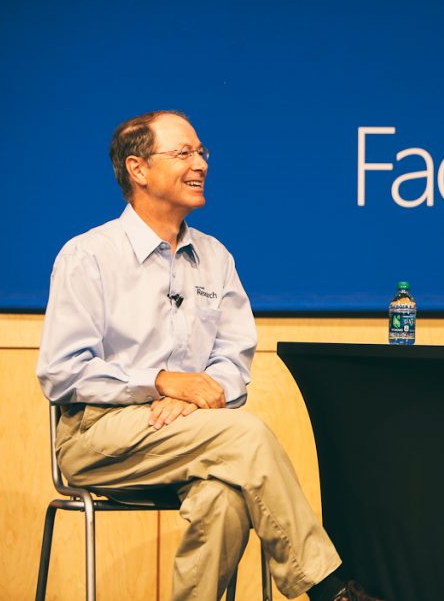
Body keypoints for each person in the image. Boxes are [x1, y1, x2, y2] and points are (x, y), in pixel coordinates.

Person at [37, 110, 382, 601]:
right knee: (245, 434)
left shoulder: (215, 257)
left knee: (224, 497)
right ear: (138, 169)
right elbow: (61, 371)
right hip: (97, 437)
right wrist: (161, 382)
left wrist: (197, 398)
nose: (199, 163)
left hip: (194, 432)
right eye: (183, 153)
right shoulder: (88, 256)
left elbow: (233, 358)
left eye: (202, 153)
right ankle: (331, 590)